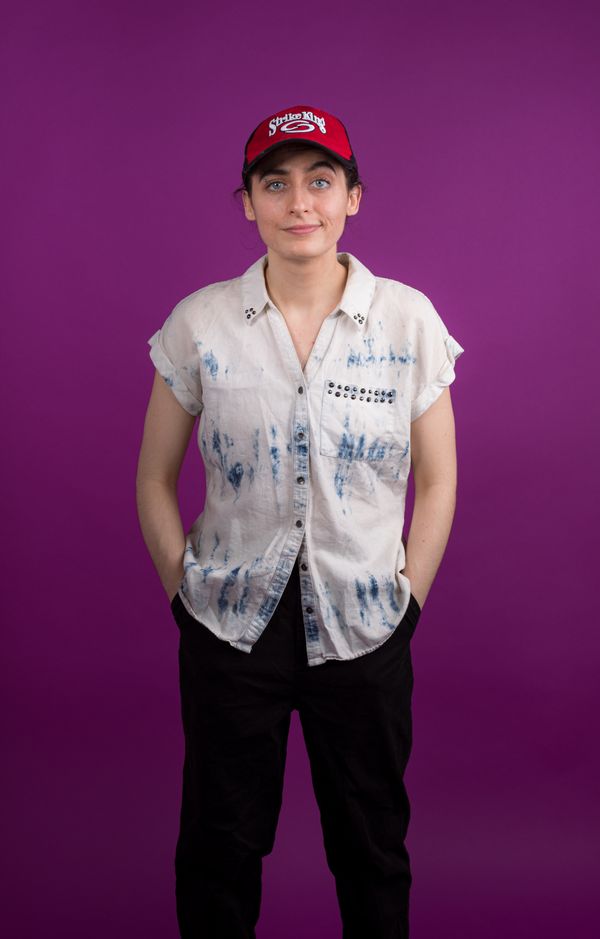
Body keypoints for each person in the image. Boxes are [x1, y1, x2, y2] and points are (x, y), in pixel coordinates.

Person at [136, 103, 465, 939]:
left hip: (364, 623)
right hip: (230, 624)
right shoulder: (200, 323)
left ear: (353, 196)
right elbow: (153, 477)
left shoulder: (408, 322)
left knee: (372, 848)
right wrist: (185, 596)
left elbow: (439, 479)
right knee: (218, 848)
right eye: (275, 184)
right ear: (248, 202)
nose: (299, 202)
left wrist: (407, 605)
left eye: (321, 180)